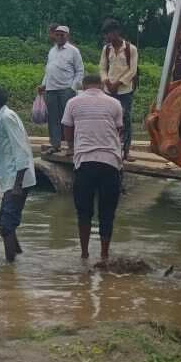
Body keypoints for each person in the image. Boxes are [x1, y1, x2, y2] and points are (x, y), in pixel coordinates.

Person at [63, 74, 125, 267]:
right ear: (101, 85)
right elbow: (119, 130)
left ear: (83, 85)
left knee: (84, 212)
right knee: (107, 213)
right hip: (110, 163)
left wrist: (72, 147)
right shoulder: (114, 103)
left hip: (85, 163)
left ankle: (84, 255)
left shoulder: (73, 102)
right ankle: (105, 256)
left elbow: (67, 127)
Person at [0, 85, 37, 263]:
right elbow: (4, 152)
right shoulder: (1, 118)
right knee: (3, 221)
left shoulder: (7, 117)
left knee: (6, 225)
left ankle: (10, 269)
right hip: (9, 178)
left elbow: (20, 150)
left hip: (17, 180)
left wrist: (17, 185)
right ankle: (17, 255)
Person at [37, 25, 84, 153]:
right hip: (51, 90)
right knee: (53, 119)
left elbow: (79, 71)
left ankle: (71, 146)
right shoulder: (52, 51)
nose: (59, 37)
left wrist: (72, 88)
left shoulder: (73, 51)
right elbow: (49, 70)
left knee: (69, 119)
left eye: (62, 34)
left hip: (65, 89)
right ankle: (55, 145)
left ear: (67, 36)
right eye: (57, 34)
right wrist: (43, 84)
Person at [99, 19, 138, 161]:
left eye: (109, 33)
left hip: (124, 91)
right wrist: (106, 81)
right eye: (106, 34)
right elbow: (102, 68)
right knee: (109, 119)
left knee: (125, 119)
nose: (107, 37)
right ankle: (110, 149)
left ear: (117, 32)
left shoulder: (130, 49)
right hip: (108, 90)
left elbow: (132, 70)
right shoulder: (106, 49)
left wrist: (118, 83)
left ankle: (126, 152)